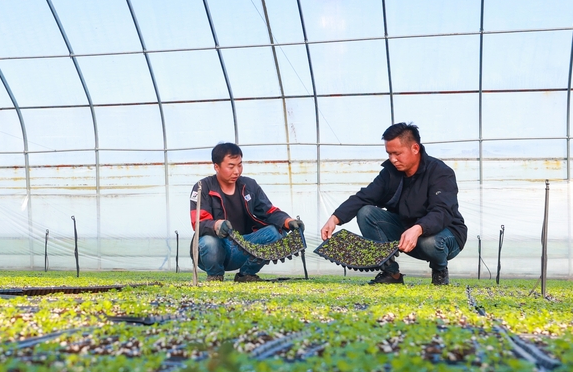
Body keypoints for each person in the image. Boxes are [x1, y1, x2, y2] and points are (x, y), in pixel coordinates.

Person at [320, 123, 466, 286]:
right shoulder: (391, 173)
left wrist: (418, 229)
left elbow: (442, 211)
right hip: (407, 232)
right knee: (366, 212)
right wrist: (335, 218)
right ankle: (391, 273)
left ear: (415, 148)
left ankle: (440, 270)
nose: (392, 159)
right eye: (389, 154)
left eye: (397, 153)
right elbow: (365, 196)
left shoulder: (440, 172)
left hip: (446, 235)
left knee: (429, 241)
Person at [189, 142, 300, 282]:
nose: (237, 171)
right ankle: (215, 275)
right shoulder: (202, 187)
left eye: (240, 165)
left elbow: (269, 211)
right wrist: (217, 225)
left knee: (275, 233)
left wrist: (288, 221)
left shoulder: (249, 186)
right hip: (214, 250)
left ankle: (246, 274)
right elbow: (198, 222)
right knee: (209, 242)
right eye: (231, 166)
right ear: (216, 166)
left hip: (243, 247)